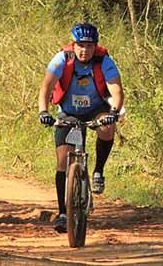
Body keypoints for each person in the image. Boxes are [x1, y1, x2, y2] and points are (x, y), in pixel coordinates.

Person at [38, 22, 124, 233]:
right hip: (68, 112)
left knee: (107, 128)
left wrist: (113, 113)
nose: (84, 50)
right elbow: (46, 86)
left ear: (95, 46)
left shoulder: (104, 62)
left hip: (96, 109)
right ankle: (62, 213)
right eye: (80, 45)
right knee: (62, 162)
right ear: (73, 45)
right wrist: (43, 112)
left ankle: (98, 172)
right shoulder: (62, 60)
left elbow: (117, 90)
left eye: (89, 46)